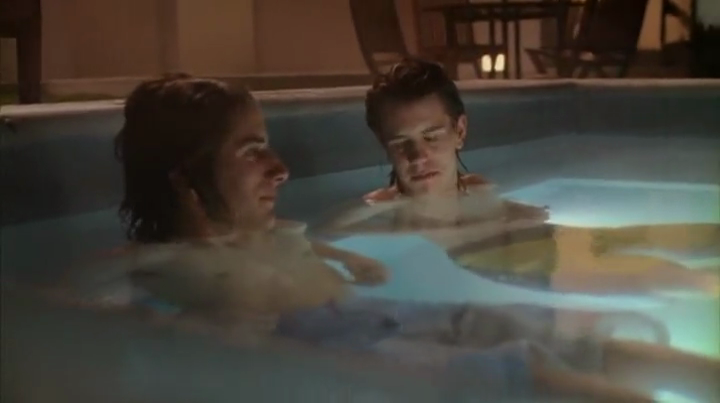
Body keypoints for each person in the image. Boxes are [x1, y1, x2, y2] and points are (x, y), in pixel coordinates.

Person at [67, 74, 718, 402]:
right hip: (337, 348)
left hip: (380, 313)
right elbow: (115, 322)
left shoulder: (267, 231)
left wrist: (346, 259)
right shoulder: (166, 266)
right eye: (252, 151)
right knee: (531, 372)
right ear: (186, 181)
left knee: (582, 338)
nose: (282, 168)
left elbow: (310, 247)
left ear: (460, 132)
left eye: (267, 147)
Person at [316, 58, 720, 296]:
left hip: (550, 239)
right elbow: (315, 239)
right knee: (683, 281)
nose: (418, 156)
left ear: (460, 131)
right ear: (384, 145)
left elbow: (506, 211)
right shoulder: (372, 212)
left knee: (664, 235)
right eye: (401, 142)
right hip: (505, 264)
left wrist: (517, 211)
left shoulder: (478, 188)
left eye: (431, 136)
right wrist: (347, 257)